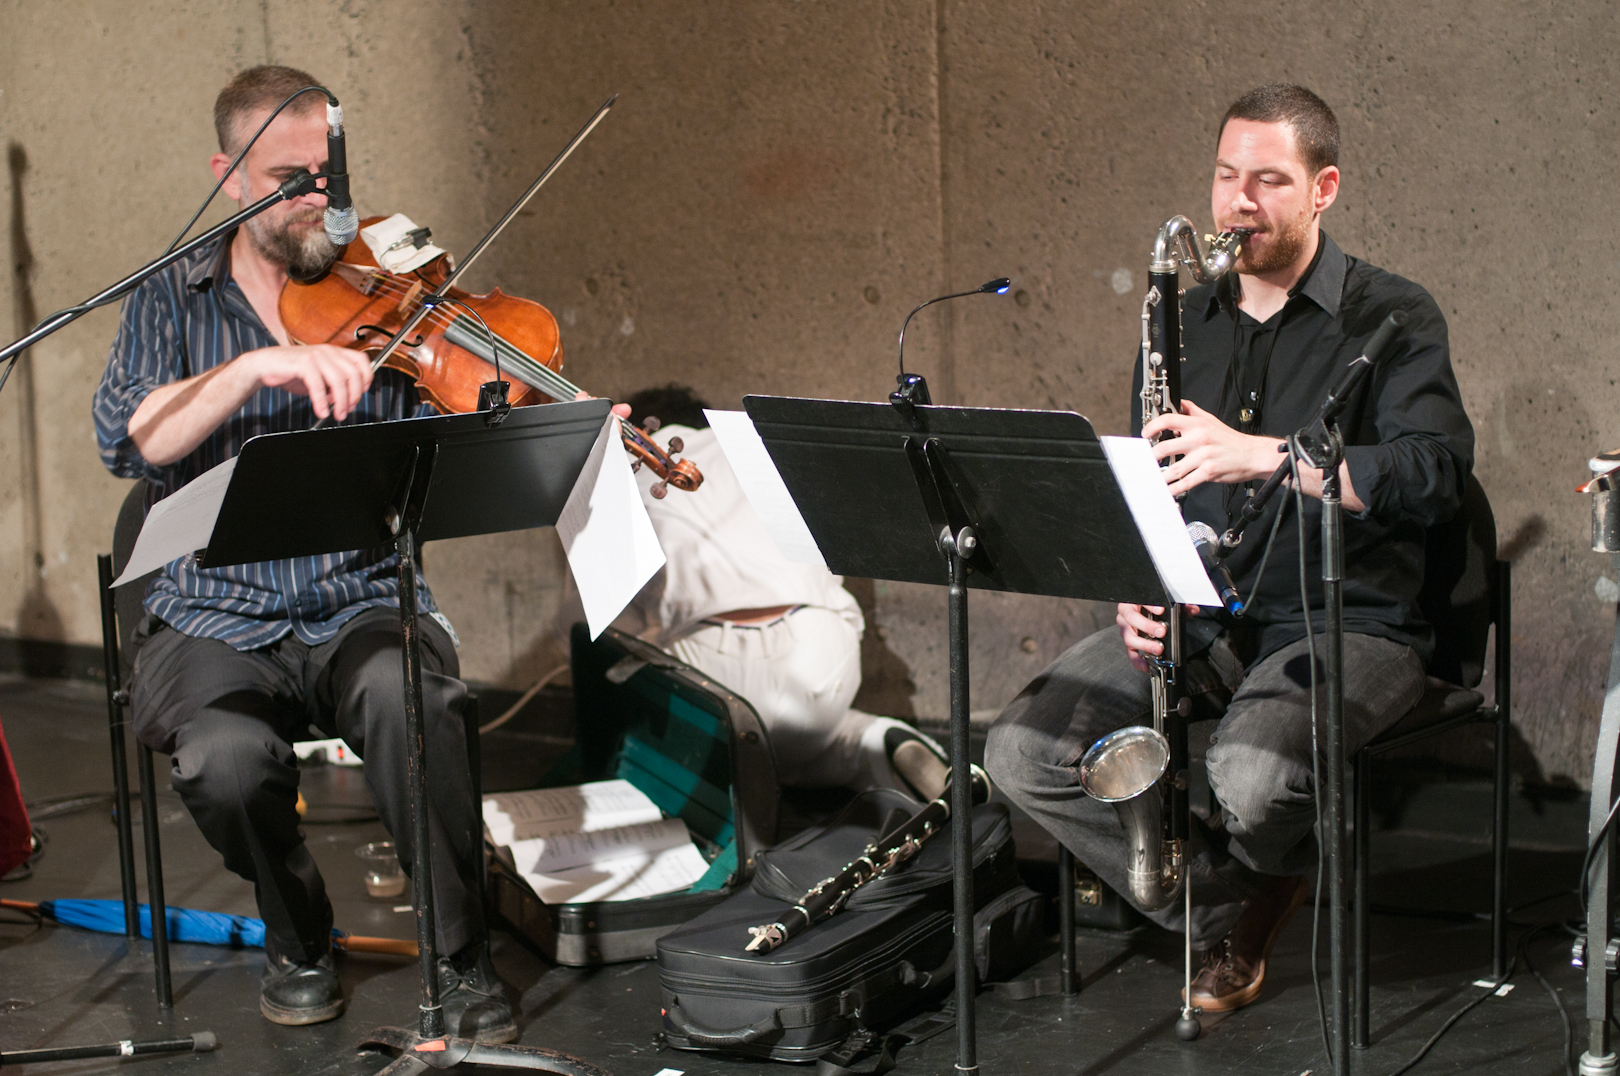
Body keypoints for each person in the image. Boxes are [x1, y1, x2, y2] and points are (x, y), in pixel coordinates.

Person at [985, 84, 1475, 1013]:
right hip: (1201, 610)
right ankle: (1232, 904)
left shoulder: (1394, 317)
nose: (1237, 201)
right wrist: (1139, 587)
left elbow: (1436, 475)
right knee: (1021, 751)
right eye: (1224, 177)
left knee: (1249, 781)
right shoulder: (1180, 321)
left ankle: (1247, 877)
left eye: (1267, 180)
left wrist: (1272, 459)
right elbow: (1151, 489)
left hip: (1346, 619)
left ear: (1322, 188)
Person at [92, 65, 513, 1039]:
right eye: (292, 177)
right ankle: (299, 932)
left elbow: (461, 426)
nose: (320, 196)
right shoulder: (172, 295)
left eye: (328, 170)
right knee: (225, 759)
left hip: (356, 593)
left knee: (415, 703)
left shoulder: (383, 284)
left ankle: (460, 953)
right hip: (211, 612)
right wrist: (252, 369)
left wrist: (530, 402)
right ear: (231, 176)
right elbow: (131, 439)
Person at [611, 385, 948, 799]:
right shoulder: (764, 446)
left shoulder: (630, 465)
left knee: (633, 682)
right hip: (821, 655)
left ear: (641, 426)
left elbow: (592, 621)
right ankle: (870, 743)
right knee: (798, 734)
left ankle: (714, 795)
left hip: (713, 673)